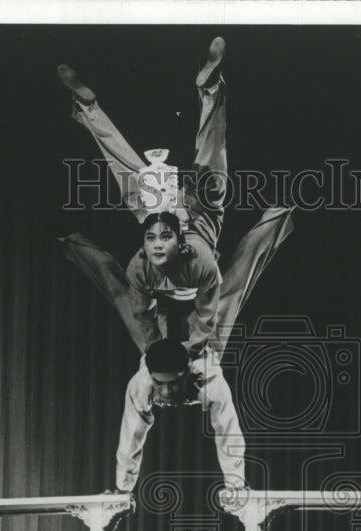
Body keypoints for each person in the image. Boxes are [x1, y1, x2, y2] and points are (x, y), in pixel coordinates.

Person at [57, 37, 293, 490]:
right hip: (183, 250)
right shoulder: (201, 376)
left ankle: (91, 109)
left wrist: (124, 488)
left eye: (162, 387)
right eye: (163, 386)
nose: (161, 396)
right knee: (210, 178)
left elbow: (214, 295)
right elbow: (220, 431)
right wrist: (125, 489)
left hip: (190, 252)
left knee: (149, 188)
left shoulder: (191, 267)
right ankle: (207, 91)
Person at [116, 339, 245, 494]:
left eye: (174, 382)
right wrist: (122, 489)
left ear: (188, 371)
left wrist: (236, 486)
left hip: (204, 345)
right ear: (149, 375)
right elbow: (131, 436)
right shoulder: (139, 386)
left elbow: (228, 434)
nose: (166, 392)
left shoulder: (211, 383)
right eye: (159, 383)